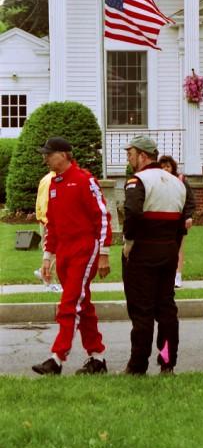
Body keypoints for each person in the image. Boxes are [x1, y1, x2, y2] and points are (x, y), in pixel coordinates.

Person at [32, 136, 112, 376]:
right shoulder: (54, 184)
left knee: (69, 303)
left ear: (64, 154)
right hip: (65, 252)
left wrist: (104, 253)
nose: (45, 157)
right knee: (82, 304)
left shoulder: (84, 180)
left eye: (49, 153)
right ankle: (97, 357)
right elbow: (52, 225)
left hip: (84, 249)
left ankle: (56, 358)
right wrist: (48, 256)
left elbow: (102, 217)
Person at [122, 136, 192, 375]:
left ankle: (138, 364)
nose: (129, 159)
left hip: (143, 251)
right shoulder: (177, 183)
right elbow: (183, 222)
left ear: (143, 155)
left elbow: (132, 211)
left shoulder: (138, 181)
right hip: (168, 250)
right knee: (166, 309)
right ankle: (166, 361)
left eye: (131, 154)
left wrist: (129, 241)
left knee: (142, 311)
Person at [158, 154, 196, 287]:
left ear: (172, 167)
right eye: (162, 167)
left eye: (167, 166)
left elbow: (190, 200)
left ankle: (177, 276)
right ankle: (165, 276)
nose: (165, 169)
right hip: (163, 220)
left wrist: (189, 216)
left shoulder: (180, 180)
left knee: (178, 248)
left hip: (179, 219)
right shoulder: (157, 181)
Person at [33, 169, 61, 292]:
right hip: (50, 222)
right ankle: (49, 283)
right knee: (53, 253)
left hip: (45, 220)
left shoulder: (45, 178)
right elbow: (46, 202)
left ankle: (43, 272)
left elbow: (39, 202)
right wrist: (47, 221)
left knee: (52, 252)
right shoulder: (54, 180)